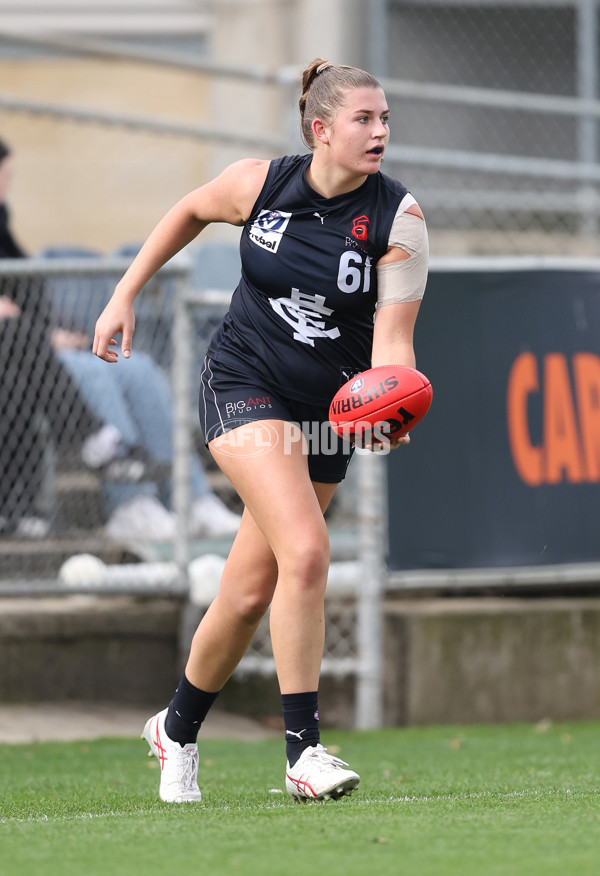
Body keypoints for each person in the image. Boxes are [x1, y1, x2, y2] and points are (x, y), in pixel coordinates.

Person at [93, 59, 428, 803]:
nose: (379, 133)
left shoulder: (399, 219)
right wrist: (125, 294)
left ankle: (174, 729)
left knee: (248, 592)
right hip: (242, 383)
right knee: (307, 551)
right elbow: (188, 209)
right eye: (363, 120)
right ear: (321, 130)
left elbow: (393, 346)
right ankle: (303, 753)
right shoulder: (261, 184)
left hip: (328, 413)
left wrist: (390, 406)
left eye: (384, 119)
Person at [0, 139, 136, 537]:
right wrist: (40, 332)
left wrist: (49, 330)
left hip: (18, 344)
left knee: (14, 385)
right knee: (20, 344)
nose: (6, 182)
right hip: (21, 339)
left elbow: (27, 292)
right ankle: (89, 436)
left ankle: (16, 510)